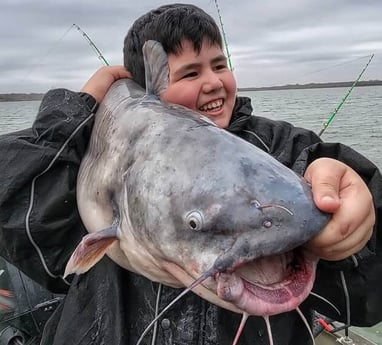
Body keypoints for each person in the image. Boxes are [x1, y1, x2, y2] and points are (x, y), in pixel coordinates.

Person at [0, 3, 381, 345]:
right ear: (152, 86)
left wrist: (359, 222)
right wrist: (76, 108)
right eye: (189, 73)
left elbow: (368, 300)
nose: (213, 82)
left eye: (219, 65)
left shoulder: (286, 149)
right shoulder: (99, 153)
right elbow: (13, 194)